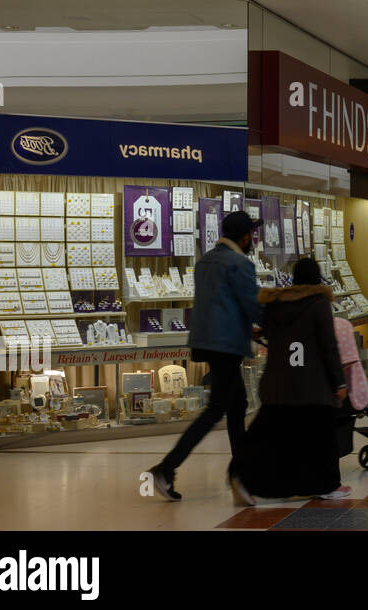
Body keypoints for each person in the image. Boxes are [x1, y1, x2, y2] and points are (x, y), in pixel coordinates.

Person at [149, 211, 261, 502]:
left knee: (238, 407)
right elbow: (253, 306)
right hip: (227, 345)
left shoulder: (204, 261)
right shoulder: (240, 264)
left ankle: (241, 477)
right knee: (217, 409)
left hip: (207, 343)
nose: (253, 240)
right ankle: (166, 469)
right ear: (245, 237)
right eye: (252, 235)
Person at [229, 257, 349, 505]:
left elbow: (271, 335)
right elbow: (328, 346)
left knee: (269, 435)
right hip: (311, 386)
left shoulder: (276, 305)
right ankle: (326, 485)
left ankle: (241, 476)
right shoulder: (318, 303)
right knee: (322, 434)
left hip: (277, 384)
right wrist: (339, 382)